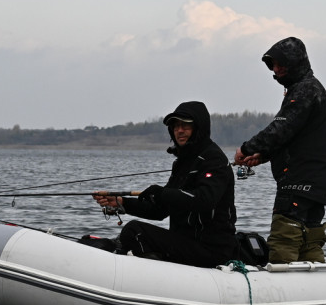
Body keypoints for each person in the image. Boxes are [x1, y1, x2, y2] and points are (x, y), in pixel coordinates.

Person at [92, 101, 237, 268]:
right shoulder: (182, 164)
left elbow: (205, 200)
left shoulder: (214, 159)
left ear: (199, 127)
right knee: (132, 233)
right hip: (186, 243)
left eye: (185, 126)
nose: (179, 130)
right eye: (175, 126)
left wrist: (162, 193)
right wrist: (122, 203)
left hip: (212, 249)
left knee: (134, 231)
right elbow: (160, 210)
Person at [234, 37, 326, 263]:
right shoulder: (310, 89)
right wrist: (262, 156)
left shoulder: (304, 90)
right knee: (310, 243)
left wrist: (246, 148)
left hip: (296, 184)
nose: (276, 69)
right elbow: (293, 136)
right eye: (273, 65)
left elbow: (281, 128)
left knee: (283, 243)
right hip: (317, 186)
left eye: (281, 64)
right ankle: (316, 287)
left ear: (295, 62)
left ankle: (281, 290)